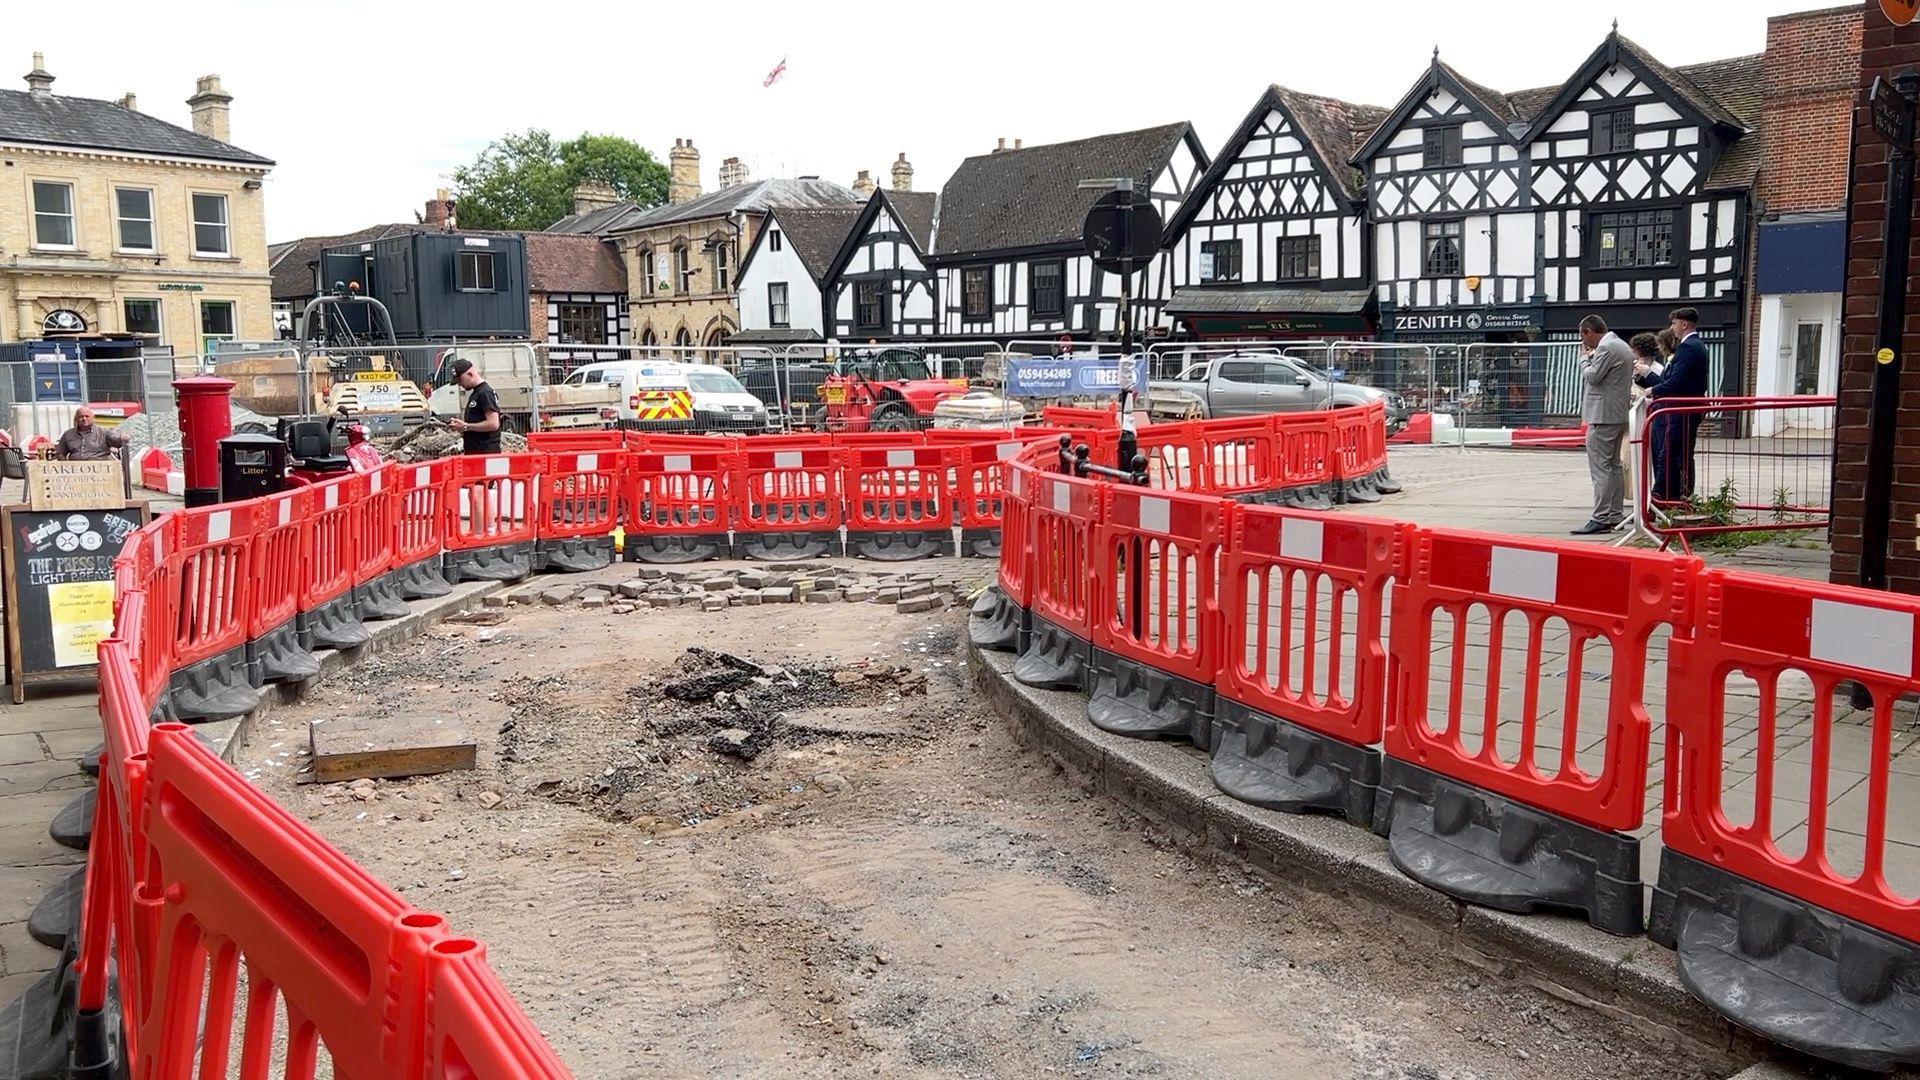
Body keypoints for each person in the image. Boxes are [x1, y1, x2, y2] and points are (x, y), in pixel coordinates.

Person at [1635, 307, 1710, 504]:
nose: (1672, 328)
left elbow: (1676, 382)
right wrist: (1647, 381)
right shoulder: (1694, 346)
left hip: (1680, 410)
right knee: (1673, 455)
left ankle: (1661, 498)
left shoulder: (1689, 347)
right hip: (1680, 408)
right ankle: (1671, 497)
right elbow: (1670, 379)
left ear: (1684, 324)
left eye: (1674, 324)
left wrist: (1653, 390)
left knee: (1669, 455)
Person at [1572, 314, 1634, 535]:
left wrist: (1583, 359)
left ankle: (1600, 517)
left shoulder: (1606, 348)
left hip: (1602, 415)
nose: (1583, 342)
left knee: (1600, 468)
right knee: (1614, 466)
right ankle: (1615, 513)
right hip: (1617, 414)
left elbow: (1593, 376)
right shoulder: (1622, 345)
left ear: (1589, 332)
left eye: (1583, 336)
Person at [445, 357, 503, 454]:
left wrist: (466, 426)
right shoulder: (477, 392)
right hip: (478, 453)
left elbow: (493, 424)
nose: (460, 384)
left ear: (470, 374)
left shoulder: (485, 393)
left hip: (486, 454)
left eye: (460, 380)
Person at [54, 406, 128, 461]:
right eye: (81, 417)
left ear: (93, 418)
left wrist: (123, 438)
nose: (84, 419)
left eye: (87, 416)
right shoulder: (68, 434)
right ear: (76, 419)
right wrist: (66, 464)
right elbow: (60, 453)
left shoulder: (104, 432)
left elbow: (118, 442)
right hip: (76, 474)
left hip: (101, 473)